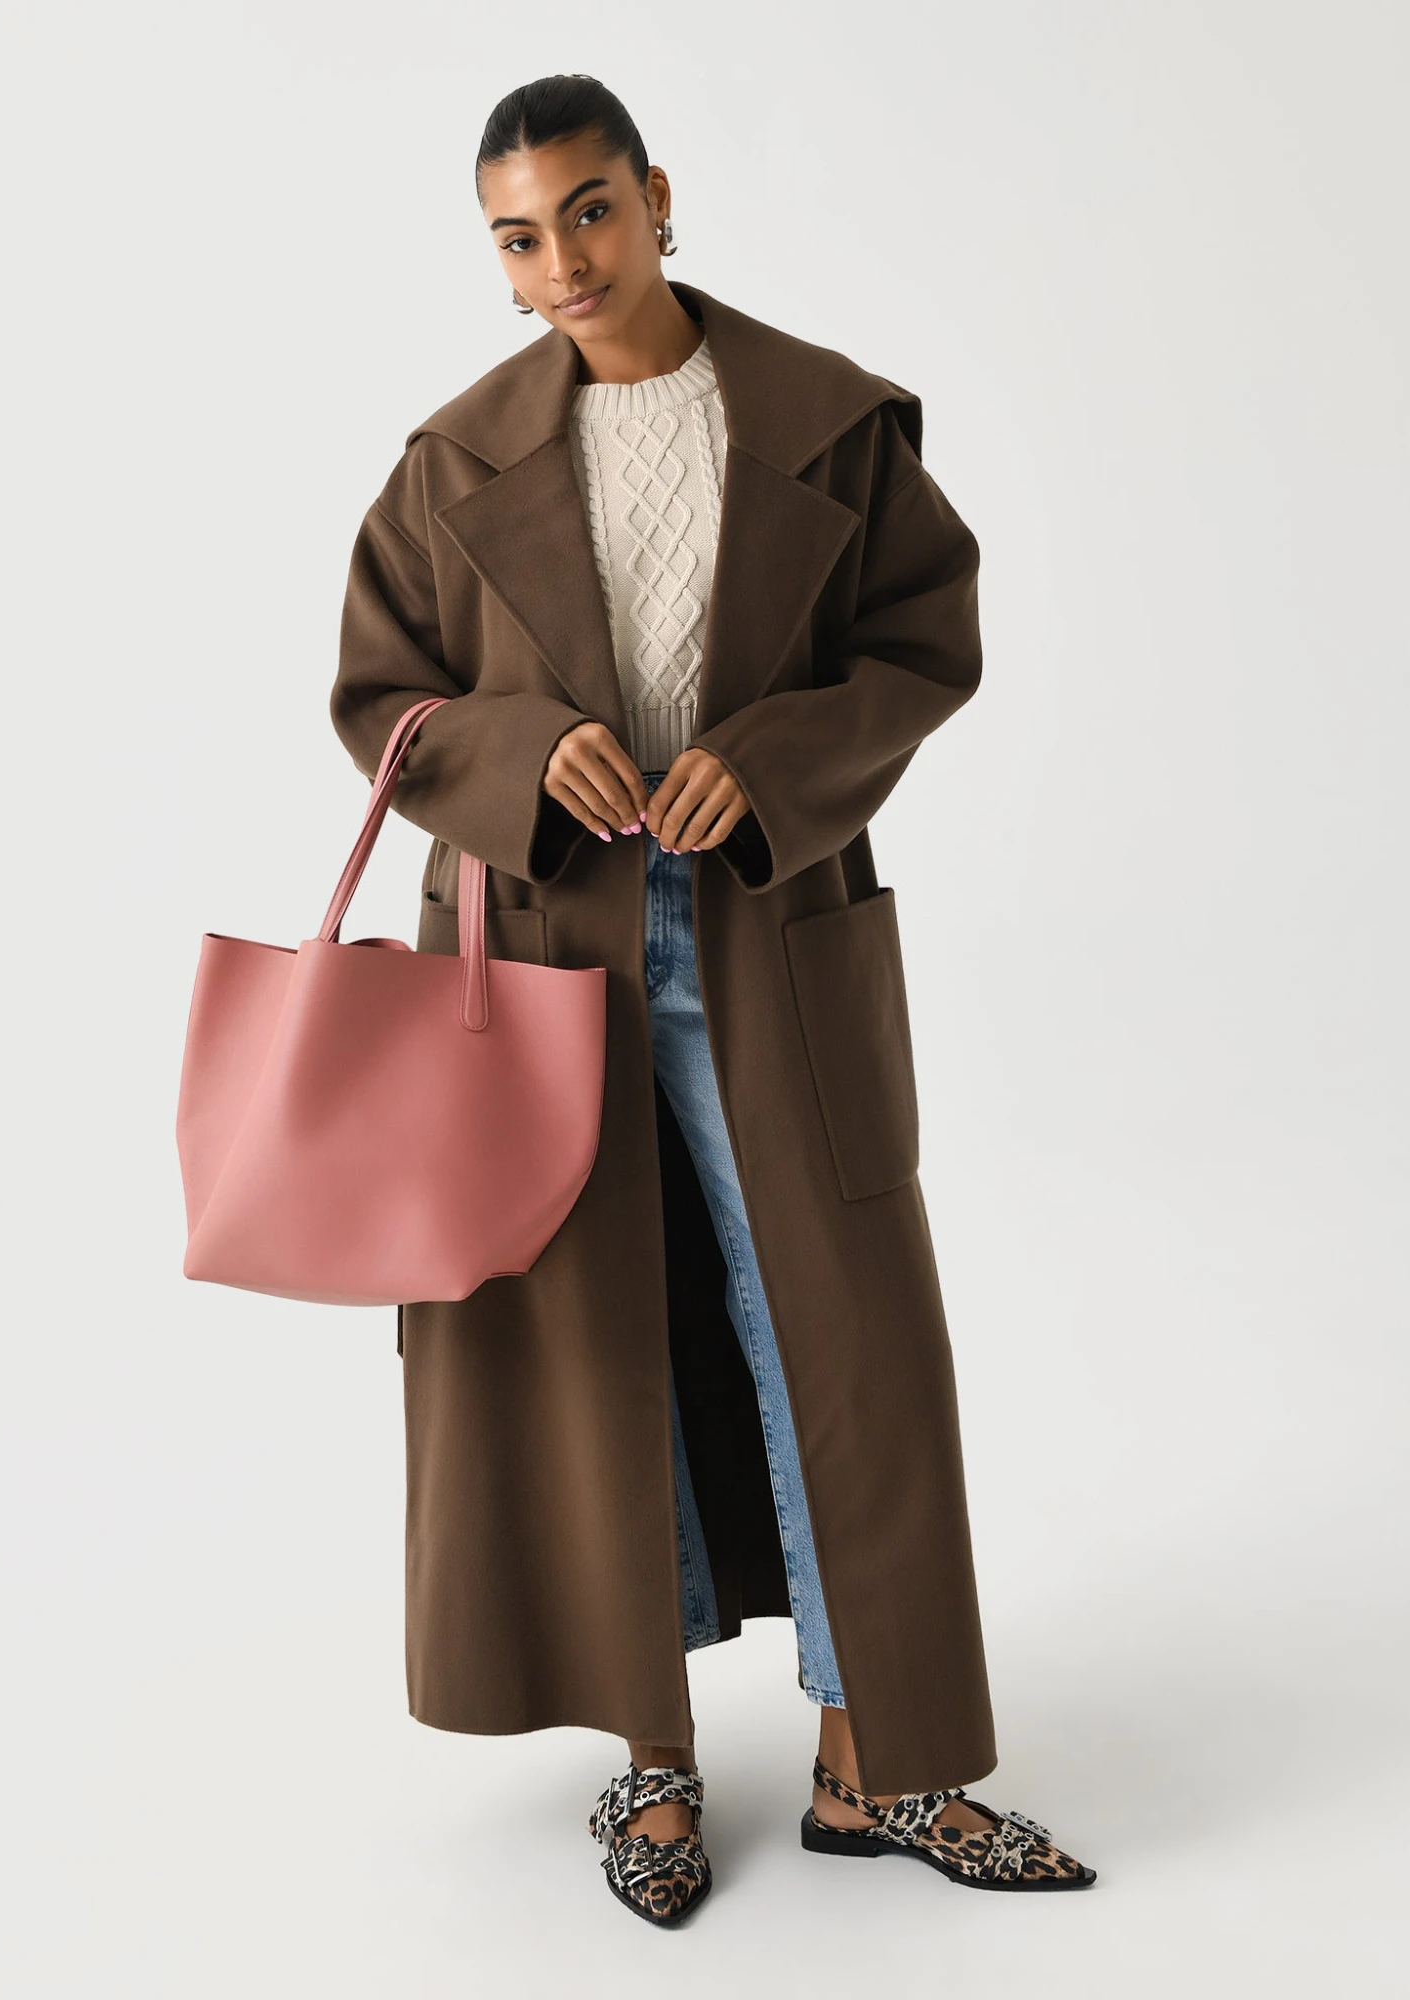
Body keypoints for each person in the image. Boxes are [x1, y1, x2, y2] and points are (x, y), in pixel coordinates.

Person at [330, 72, 1096, 1926]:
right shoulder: (453, 463)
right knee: (587, 1351)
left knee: (843, 1337)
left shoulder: (830, 426)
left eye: (590, 211)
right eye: (520, 237)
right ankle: (651, 1765)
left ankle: (878, 1766)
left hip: (771, 925)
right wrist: (528, 751)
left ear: (658, 196)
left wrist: (768, 762)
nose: (564, 262)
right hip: (538, 953)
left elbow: (924, 643)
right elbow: (382, 701)